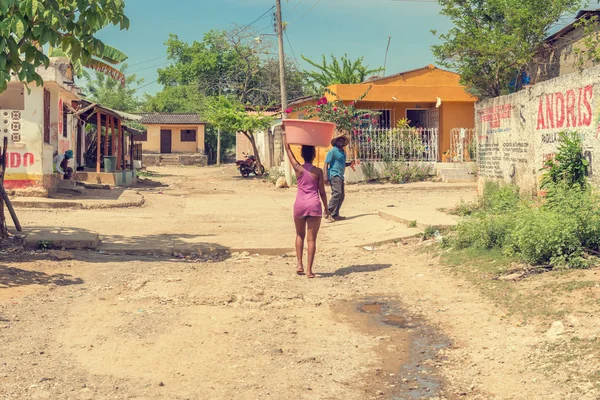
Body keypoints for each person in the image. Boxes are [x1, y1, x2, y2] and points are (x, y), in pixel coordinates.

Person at [283, 131, 331, 279]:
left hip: (300, 204)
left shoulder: (298, 168)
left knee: (299, 235)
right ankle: (309, 271)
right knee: (311, 239)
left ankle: (299, 265)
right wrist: (326, 209)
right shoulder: (317, 171)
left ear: (303, 155)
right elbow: (322, 192)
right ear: (314, 155)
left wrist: (286, 134)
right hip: (314, 205)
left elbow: (288, 150)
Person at [324, 135, 356, 222]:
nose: (341, 142)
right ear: (336, 142)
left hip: (340, 176)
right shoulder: (332, 151)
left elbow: (342, 164)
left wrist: (350, 163)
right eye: (339, 141)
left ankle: (335, 214)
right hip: (334, 175)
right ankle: (328, 212)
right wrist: (325, 176)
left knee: (341, 196)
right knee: (337, 193)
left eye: (342, 141)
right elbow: (326, 163)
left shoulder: (342, 152)